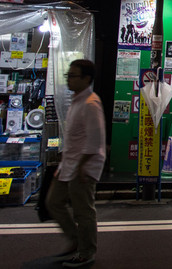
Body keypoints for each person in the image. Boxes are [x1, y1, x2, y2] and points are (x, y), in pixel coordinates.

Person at [46, 59, 106, 268]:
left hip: (84, 167)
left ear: (86, 79)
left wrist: (81, 166)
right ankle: (75, 240)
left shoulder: (91, 103)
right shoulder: (77, 101)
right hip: (70, 164)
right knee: (53, 202)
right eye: (68, 75)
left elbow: (95, 141)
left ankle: (86, 251)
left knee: (84, 211)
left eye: (73, 76)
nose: (69, 80)